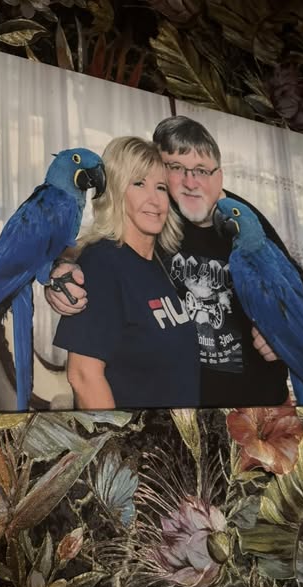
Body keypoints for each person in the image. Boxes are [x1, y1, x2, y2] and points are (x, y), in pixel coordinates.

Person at [48, 116, 301, 407]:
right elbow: (84, 374)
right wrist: (57, 272)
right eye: (176, 168)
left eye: (200, 170)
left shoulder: (239, 220)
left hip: (260, 400)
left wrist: (282, 333)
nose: (189, 182)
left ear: (218, 174)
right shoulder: (120, 251)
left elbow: (294, 296)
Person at [52, 136, 201, 409]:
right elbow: (83, 376)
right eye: (139, 184)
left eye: (161, 187)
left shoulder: (161, 263)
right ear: (116, 191)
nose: (155, 200)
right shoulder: (101, 263)